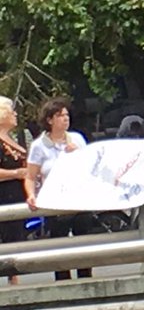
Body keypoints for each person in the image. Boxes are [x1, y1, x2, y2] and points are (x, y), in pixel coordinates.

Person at [24, 97, 94, 280]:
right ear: (49, 120)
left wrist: (77, 154)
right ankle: (63, 282)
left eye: (66, 115)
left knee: (84, 242)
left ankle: (86, 280)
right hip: (54, 200)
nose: (65, 118)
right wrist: (31, 195)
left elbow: (90, 167)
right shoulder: (39, 146)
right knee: (59, 244)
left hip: (78, 198)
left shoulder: (77, 139)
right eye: (60, 115)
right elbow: (31, 176)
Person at [0, 96, 27, 283]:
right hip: (4, 195)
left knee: (17, 239)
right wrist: (16, 173)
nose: (15, 114)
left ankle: (14, 279)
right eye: (11, 111)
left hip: (17, 194)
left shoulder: (11, 139)